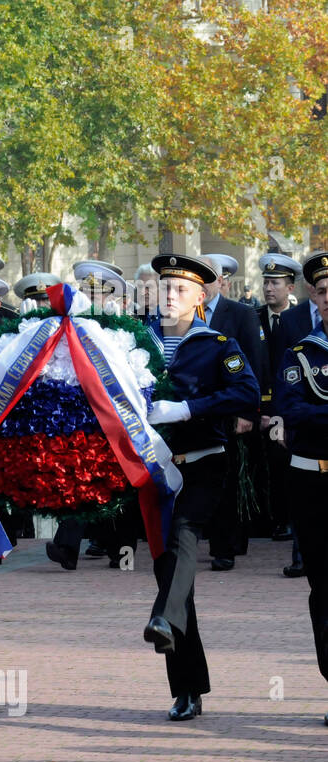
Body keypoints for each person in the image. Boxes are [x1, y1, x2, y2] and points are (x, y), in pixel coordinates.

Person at [141, 253, 259, 721]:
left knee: (183, 537)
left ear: (201, 298)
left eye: (181, 290)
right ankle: (187, 686)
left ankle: (165, 619)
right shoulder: (137, 341)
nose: (170, 296)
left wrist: (189, 409)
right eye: (165, 288)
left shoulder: (217, 344)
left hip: (202, 463)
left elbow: (246, 393)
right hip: (151, 467)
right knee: (170, 570)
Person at [273, 250, 328, 726]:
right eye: (325, 292)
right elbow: (293, 408)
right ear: (314, 295)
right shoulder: (301, 352)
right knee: (322, 586)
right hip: (311, 476)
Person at [202, 253, 265, 572]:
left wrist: (248, 413)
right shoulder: (184, 314)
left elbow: (254, 364)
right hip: (195, 412)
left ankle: (224, 547)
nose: (201, 281)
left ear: (221, 281)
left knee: (226, 479)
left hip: (229, 410)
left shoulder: (240, 313)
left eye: (207, 275)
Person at [256, 253, 309, 573]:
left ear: (290, 287)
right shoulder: (254, 317)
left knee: (287, 467)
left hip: (287, 407)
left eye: (275, 283)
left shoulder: (299, 321)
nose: (268, 289)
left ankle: (286, 522)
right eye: (266, 282)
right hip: (259, 405)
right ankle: (270, 519)